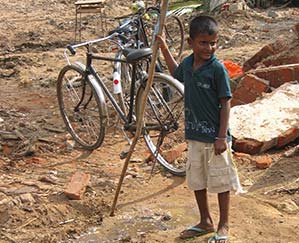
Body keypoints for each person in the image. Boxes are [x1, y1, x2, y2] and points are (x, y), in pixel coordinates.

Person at [156, 15, 243, 243]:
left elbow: (226, 102)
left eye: (213, 43)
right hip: (194, 135)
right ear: (191, 43)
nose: (209, 47)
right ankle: (205, 220)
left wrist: (222, 136)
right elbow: (176, 73)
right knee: (197, 179)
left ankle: (223, 224)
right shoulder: (188, 64)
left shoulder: (217, 69)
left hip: (215, 137)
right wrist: (163, 47)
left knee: (221, 180)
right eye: (203, 43)